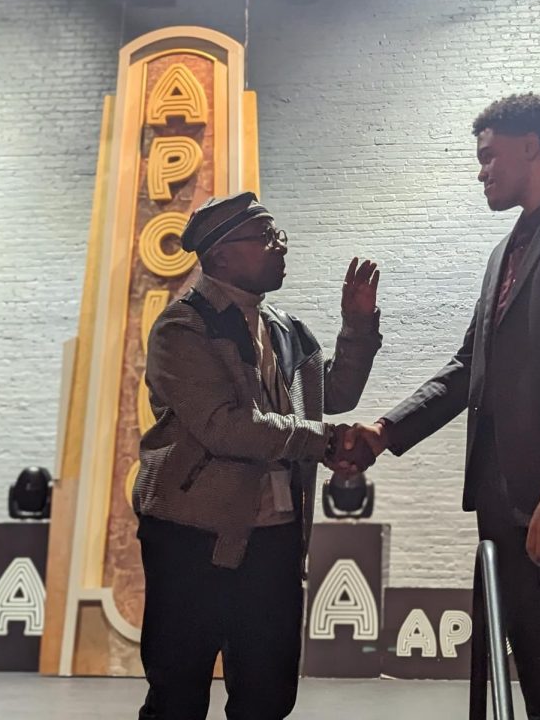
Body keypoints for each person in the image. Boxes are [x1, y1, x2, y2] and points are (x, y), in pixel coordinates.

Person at [346, 94, 540, 720]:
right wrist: (383, 431)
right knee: (539, 683)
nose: (481, 170)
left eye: (488, 156)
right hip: (503, 505)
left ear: (530, 146)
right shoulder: (501, 253)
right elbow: (466, 369)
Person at [133, 190, 381, 720]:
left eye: (279, 235)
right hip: (191, 539)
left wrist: (357, 327)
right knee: (177, 695)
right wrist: (326, 440)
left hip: (274, 539)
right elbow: (227, 428)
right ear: (221, 254)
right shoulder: (183, 328)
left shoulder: (285, 328)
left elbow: (334, 395)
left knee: (267, 697)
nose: (281, 246)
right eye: (266, 238)